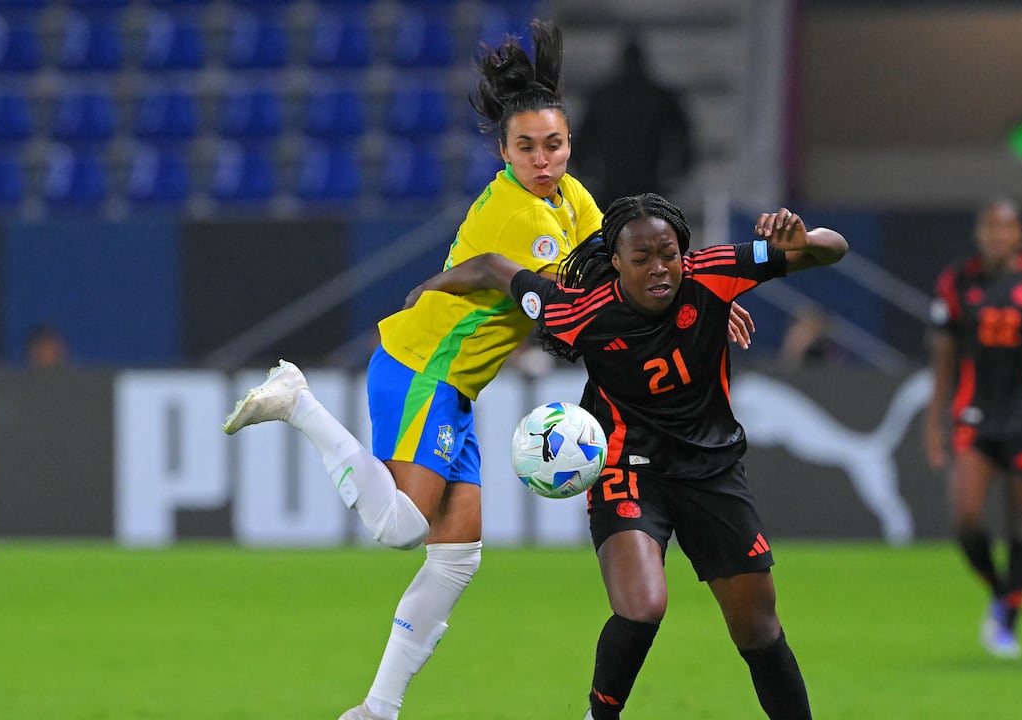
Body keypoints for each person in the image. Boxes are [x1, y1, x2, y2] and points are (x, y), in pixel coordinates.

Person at [221, 21, 751, 720]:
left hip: (458, 388)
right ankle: (299, 405)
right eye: (526, 147)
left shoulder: (572, 200)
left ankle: (377, 709)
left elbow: (619, 259)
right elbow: (563, 298)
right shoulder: (518, 215)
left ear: (569, 143)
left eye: (554, 144)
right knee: (403, 528)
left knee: (456, 559)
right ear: (502, 152)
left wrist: (699, 302)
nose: (543, 158)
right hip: (422, 368)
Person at [405, 194, 847, 719]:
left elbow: (832, 249)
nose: (660, 267)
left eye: (669, 253)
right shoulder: (578, 310)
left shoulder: (715, 272)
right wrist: (427, 288)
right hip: (627, 470)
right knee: (643, 606)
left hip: (713, 471)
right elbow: (492, 269)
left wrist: (805, 242)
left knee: (758, 629)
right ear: (616, 262)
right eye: (642, 258)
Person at [923, 198, 1022, 660]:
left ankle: (1009, 622)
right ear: (979, 234)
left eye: (1005, 228)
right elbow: (944, 357)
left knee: (1021, 521)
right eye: (989, 228)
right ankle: (1000, 590)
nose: (996, 236)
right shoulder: (957, 282)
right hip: (975, 412)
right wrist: (934, 423)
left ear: (1019, 235)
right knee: (966, 518)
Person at [572, 33, 694, 207]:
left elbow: (581, 143)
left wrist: (587, 171)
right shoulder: (662, 97)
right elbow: (683, 140)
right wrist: (678, 172)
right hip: (649, 183)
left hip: (613, 184)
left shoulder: (601, 96)